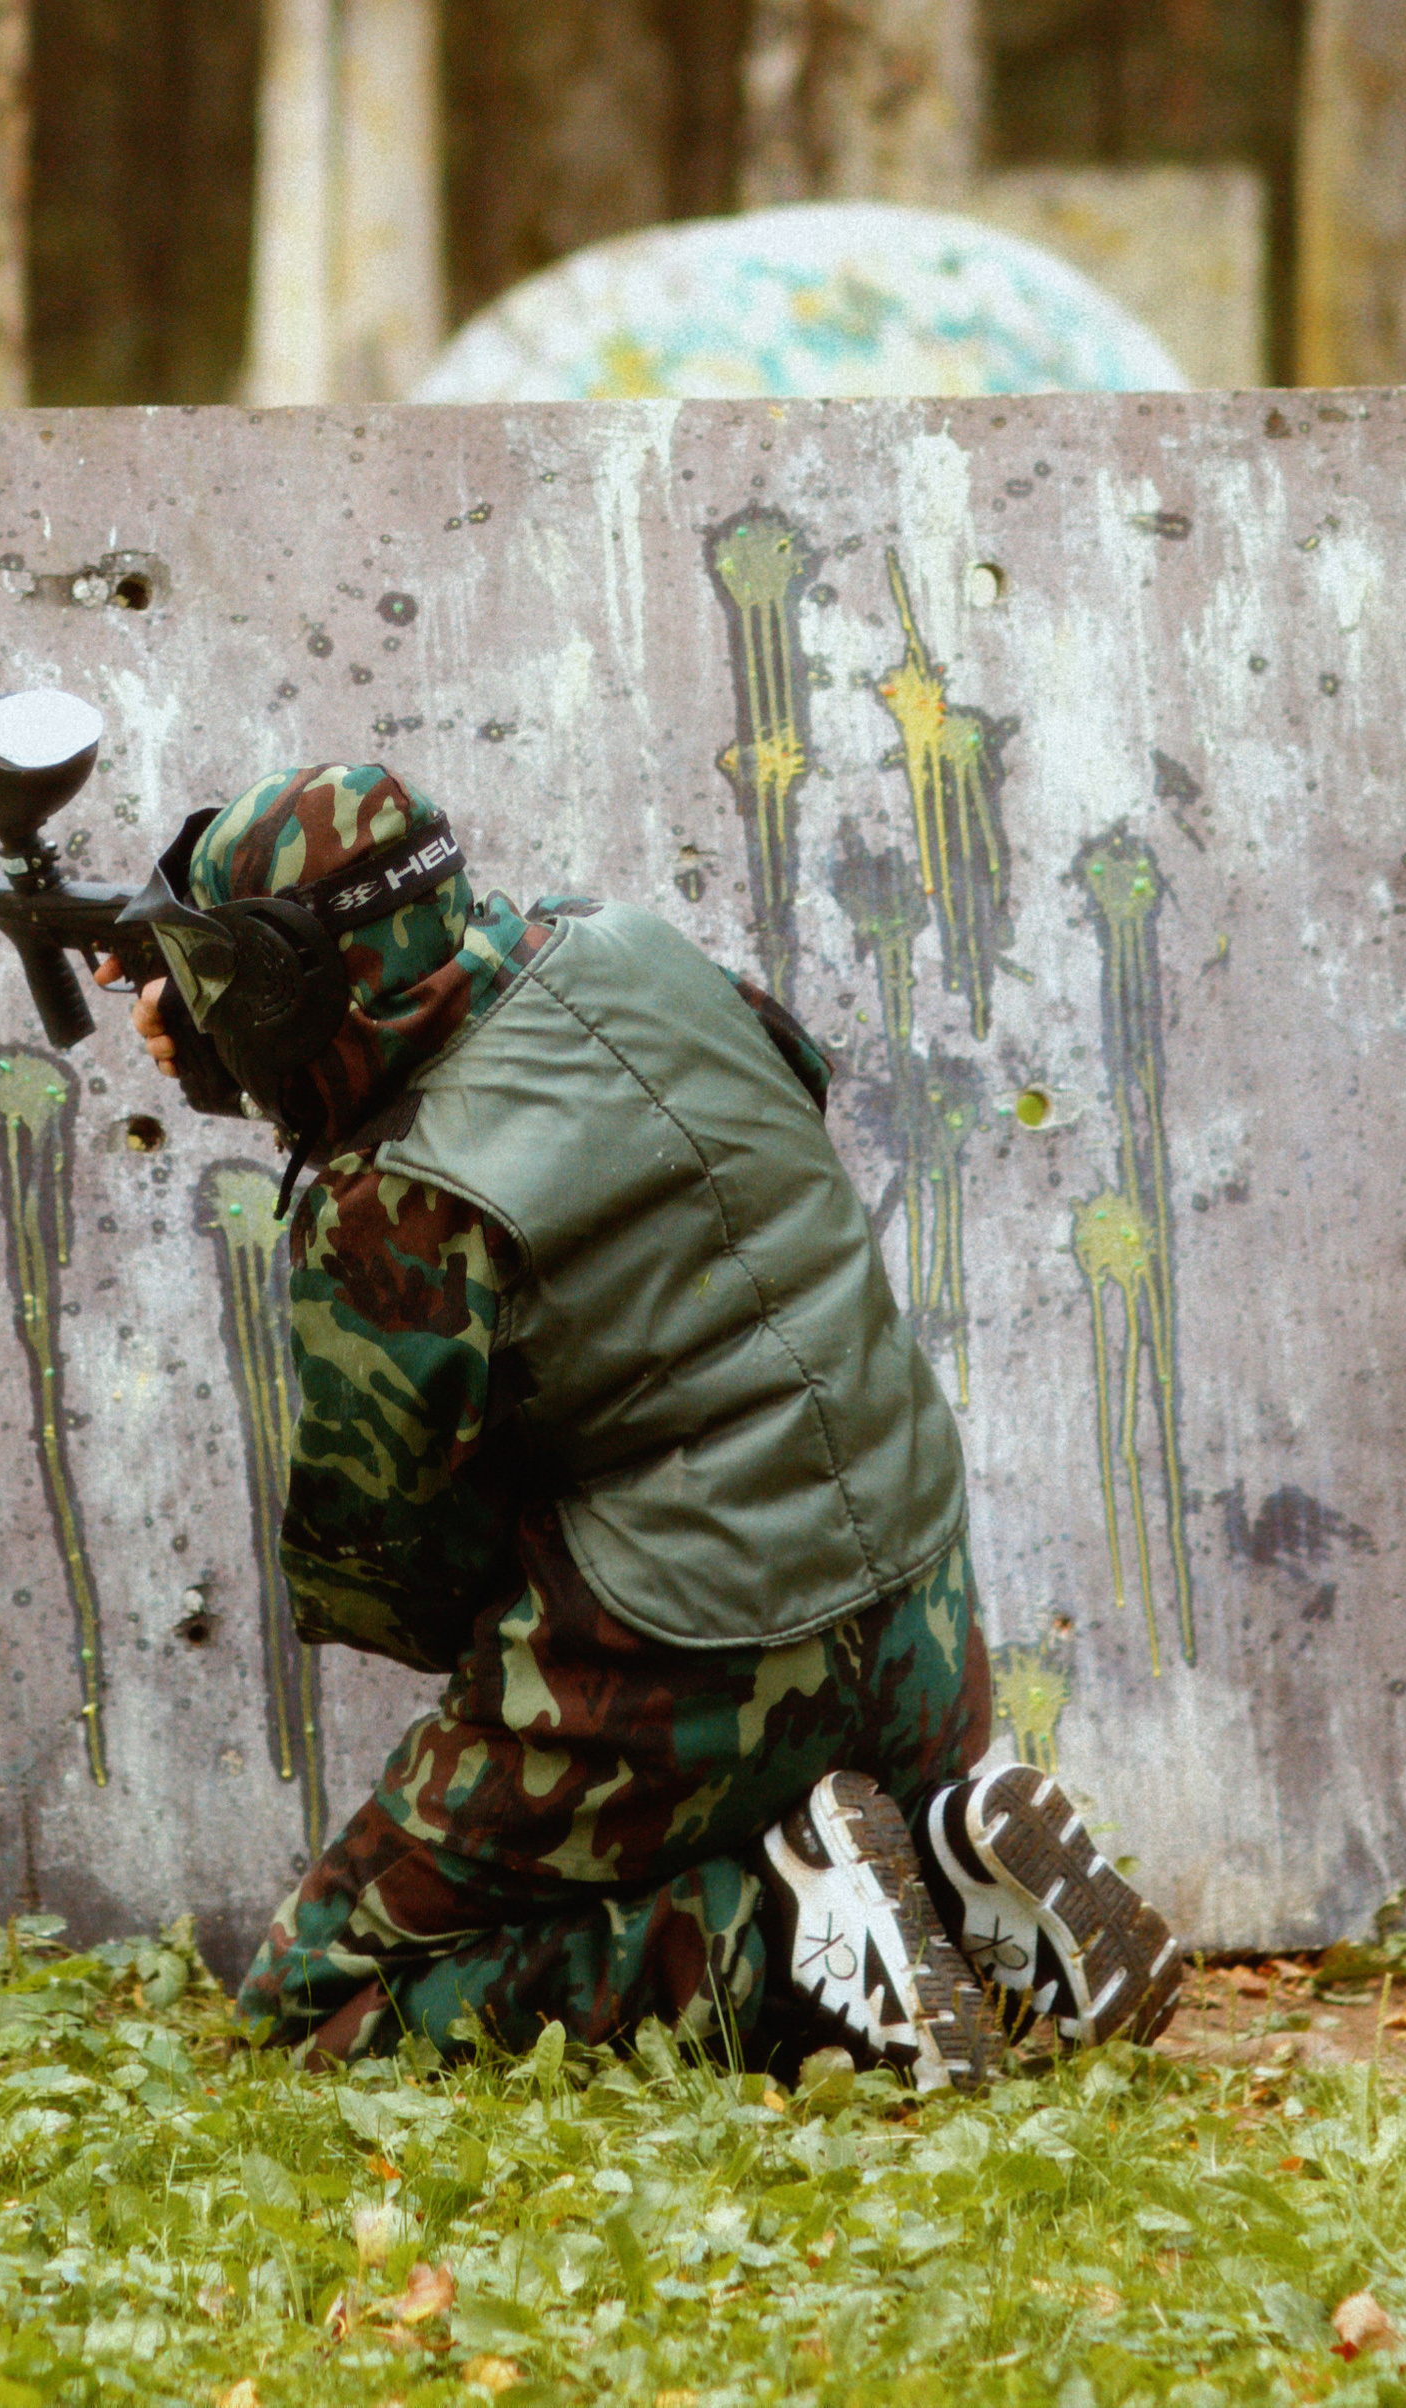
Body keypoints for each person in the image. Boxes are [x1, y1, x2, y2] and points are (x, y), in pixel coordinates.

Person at [104, 757, 1182, 2083]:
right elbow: (787, 1077)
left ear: (286, 990)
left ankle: (781, 1945)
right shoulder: (638, 951)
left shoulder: (389, 1205)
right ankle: (957, 1870)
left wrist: (283, 1086)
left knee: (316, 2007)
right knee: (795, 1778)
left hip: (695, 1663)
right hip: (920, 1613)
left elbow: (389, 1581)